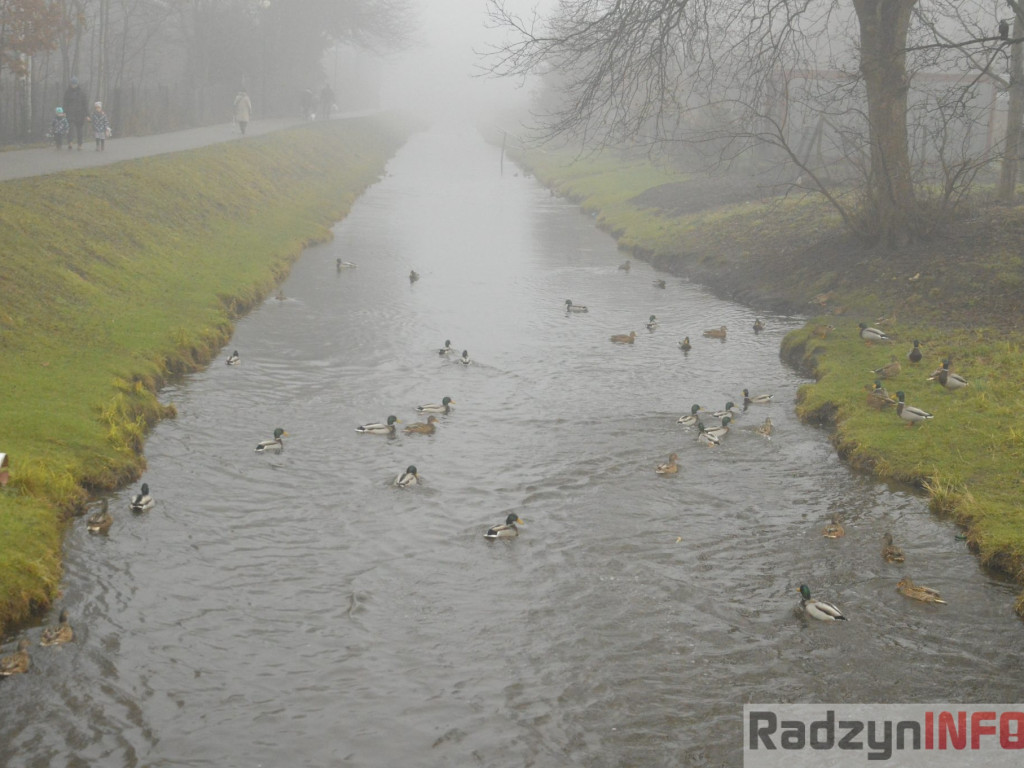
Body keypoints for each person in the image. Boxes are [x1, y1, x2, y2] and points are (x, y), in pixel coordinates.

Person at [62, 76, 89, 150]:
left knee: (79, 129)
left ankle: (80, 144)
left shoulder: (82, 93)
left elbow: (85, 104)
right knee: (70, 128)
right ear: (70, 84)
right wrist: (64, 111)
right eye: (72, 84)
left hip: (80, 113)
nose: (73, 85)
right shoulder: (67, 92)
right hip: (70, 113)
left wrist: (87, 115)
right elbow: (65, 103)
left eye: (75, 84)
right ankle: (70, 142)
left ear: (77, 84)